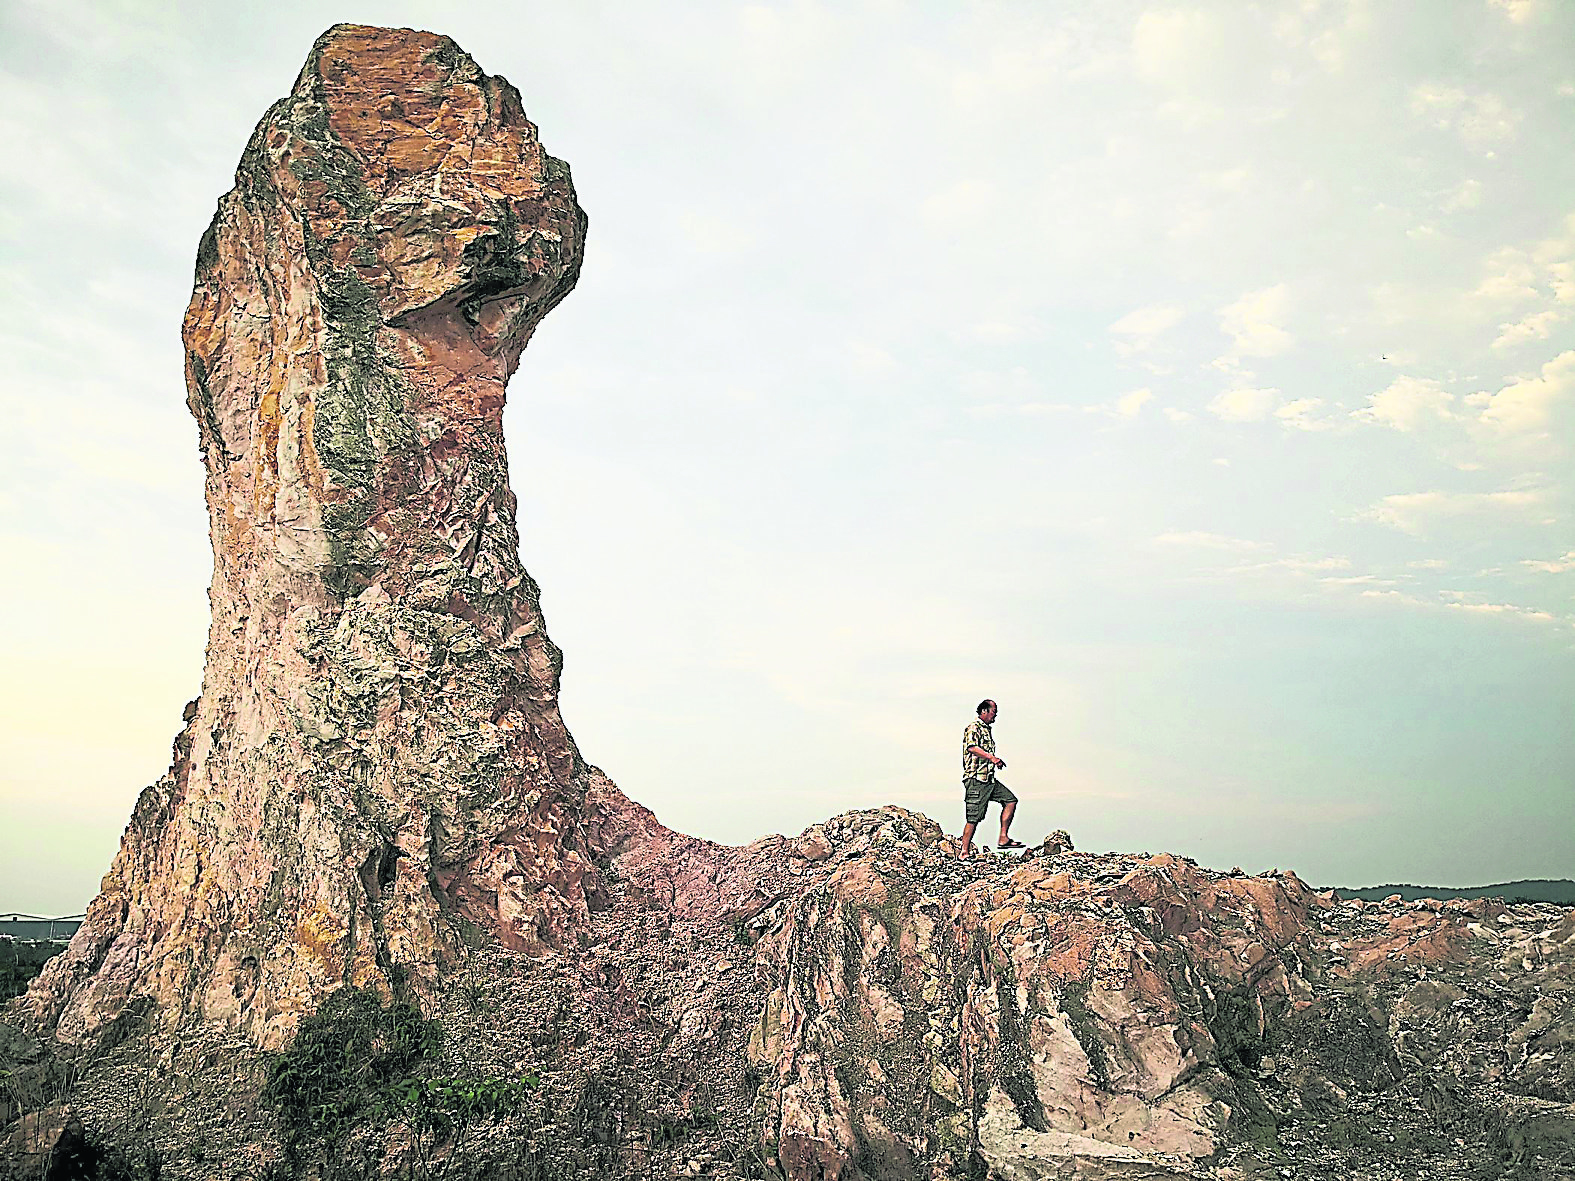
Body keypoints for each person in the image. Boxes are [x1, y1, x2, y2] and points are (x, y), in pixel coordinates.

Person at [960, 698, 1021, 857]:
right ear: (984, 711)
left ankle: (1003, 838)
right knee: (973, 817)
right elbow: (972, 748)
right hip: (976, 780)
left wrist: (994, 763)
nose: (995, 716)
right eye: (994, 712)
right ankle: (964, 852)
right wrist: (992, 758)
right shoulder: (973, 727)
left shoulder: (986, 729)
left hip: (989, 779)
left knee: (1010, 800)